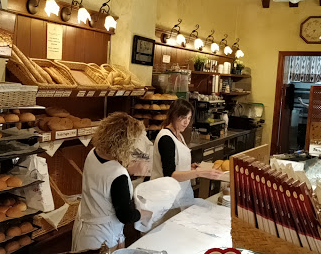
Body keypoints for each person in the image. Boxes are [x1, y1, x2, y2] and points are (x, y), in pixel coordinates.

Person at [72, 112, 150, 252]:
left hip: (86, 230)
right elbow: (125, 216)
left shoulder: (94, 153)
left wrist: (129, 169)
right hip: (102, 238)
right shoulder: (118, 176)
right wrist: (144, 213)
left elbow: (105, 174)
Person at [151, 99, 222, 216]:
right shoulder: (166, 138)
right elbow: (170, 174)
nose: (186, 122)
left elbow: (175, 163)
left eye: (189, 118)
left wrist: (189, 167)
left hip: (179, 195)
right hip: (166, 197)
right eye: (183, 117)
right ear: (174, 115)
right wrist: (199, 173)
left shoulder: (178, 135)